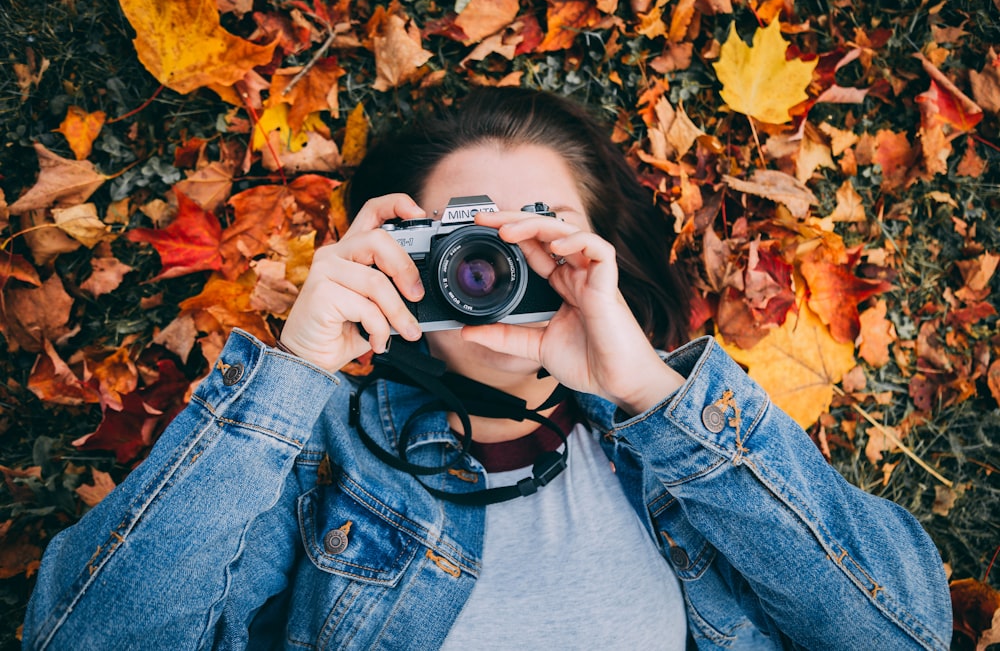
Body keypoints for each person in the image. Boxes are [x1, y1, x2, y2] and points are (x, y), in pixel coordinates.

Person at [23, 87, 951, 650]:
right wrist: (295, 373)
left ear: (603, 258)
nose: (493, 276)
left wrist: (653, 394)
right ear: (399, 261)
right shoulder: (314, 464)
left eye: (538, 238)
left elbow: (906, 633)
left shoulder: (685, 454)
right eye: (465, 247)